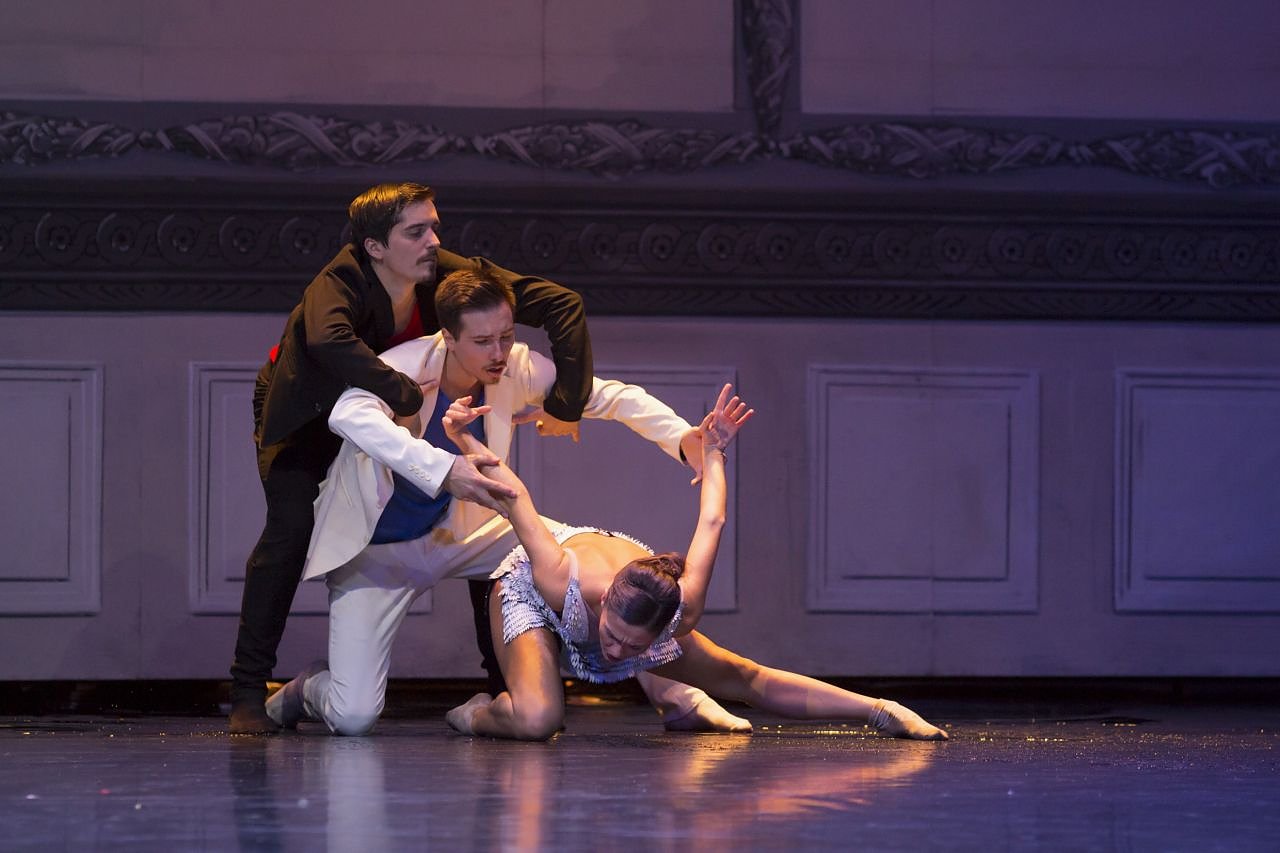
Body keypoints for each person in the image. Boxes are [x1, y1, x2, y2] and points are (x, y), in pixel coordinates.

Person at [265, 269, 750, 736]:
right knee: (352, 717)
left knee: (608, 574)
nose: (499, 352)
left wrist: (683, 438)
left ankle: (674, 694)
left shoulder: (513, 366)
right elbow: (348, 413)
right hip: (380, 553)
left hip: (470, 532)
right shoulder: (406, 366)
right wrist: (444, 468)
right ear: (448, 338)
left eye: (506, 336)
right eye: (483, 341)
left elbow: (606, 397)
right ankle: (309, 689)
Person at [230, 182, 593, 734]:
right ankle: (248, 689)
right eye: (417, 231)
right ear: (376, 247)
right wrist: (401, 392)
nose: (434, 241)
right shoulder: (339, 282)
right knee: (289, 530)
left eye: (434, 227)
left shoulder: (438, 270)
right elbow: (329, 341)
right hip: (306, 412)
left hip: (377, 407)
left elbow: (559, 302)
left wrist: (566, 403)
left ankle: (503, 683)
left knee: (480, 516)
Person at [441, 386, 950, 742]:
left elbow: (713, 520)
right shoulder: (558, 576)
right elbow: (514, 496)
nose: (615, 653)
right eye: (613, 636)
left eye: (635, 648)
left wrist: (714, 453)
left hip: (630, 581)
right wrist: (464, 437)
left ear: (664, 630)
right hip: (526, 593)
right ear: (607, 601)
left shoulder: (680, 607)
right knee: (538, 721)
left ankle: (878, 711)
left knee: (737, 674)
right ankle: (475, 713)